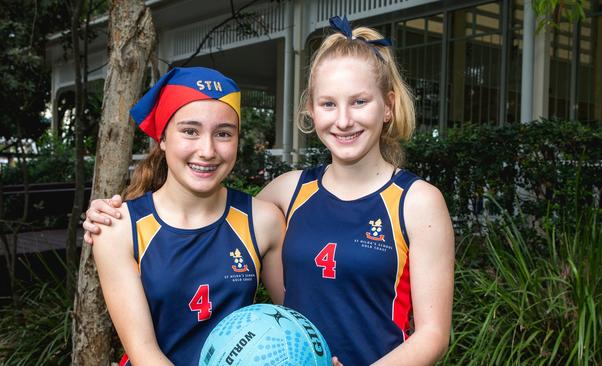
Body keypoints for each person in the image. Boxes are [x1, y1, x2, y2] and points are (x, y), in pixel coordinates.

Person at [85, 17, 454, 365]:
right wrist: (108, 215)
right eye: (328, 103)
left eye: (359, 101)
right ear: (311, 109)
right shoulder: (286, 193)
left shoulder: (416, 202)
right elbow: (204, 228)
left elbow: (432, 334)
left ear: (388, 106)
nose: (343, 120)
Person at [90, 66, 285, 366]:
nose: (207, 150)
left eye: (223, 133)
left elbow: (292, 320)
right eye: (190, 131)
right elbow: (145, 353)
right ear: (163, 138)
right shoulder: (118, 228)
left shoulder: (262, 221)